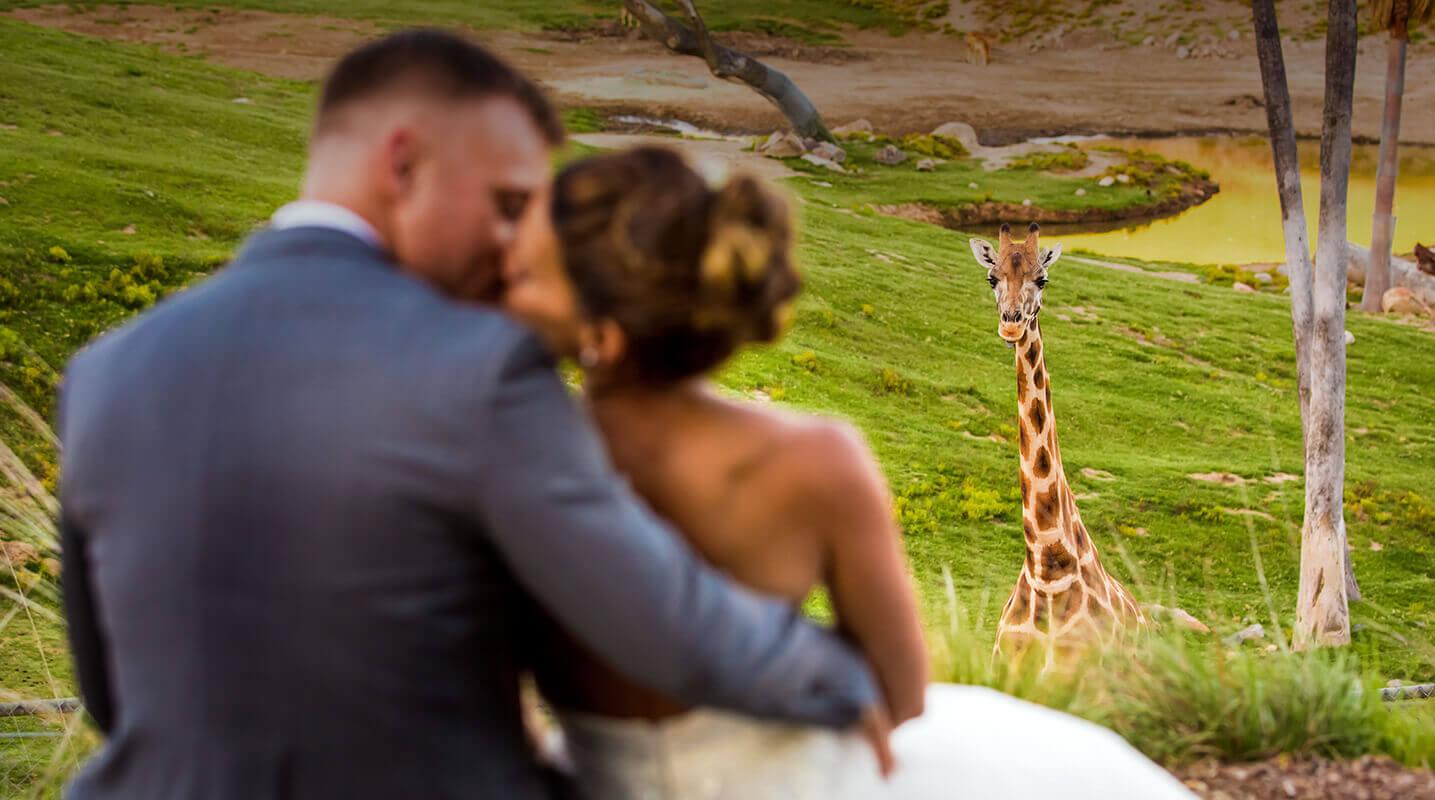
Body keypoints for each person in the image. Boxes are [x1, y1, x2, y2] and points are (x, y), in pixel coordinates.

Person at [57, 31, 884, 800]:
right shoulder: (476, 366)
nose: (510, 246)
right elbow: (673, 630)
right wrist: (844, 677)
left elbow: (108, 692)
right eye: (504, 203)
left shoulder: (106, 371)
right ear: (404, 164)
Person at [504, 146, 1198, 800]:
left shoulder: (506, 457)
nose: (504, 282)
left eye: (528, 275)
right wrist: (813, 671)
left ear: (601, 317)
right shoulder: (817, 460)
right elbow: (902, 692)